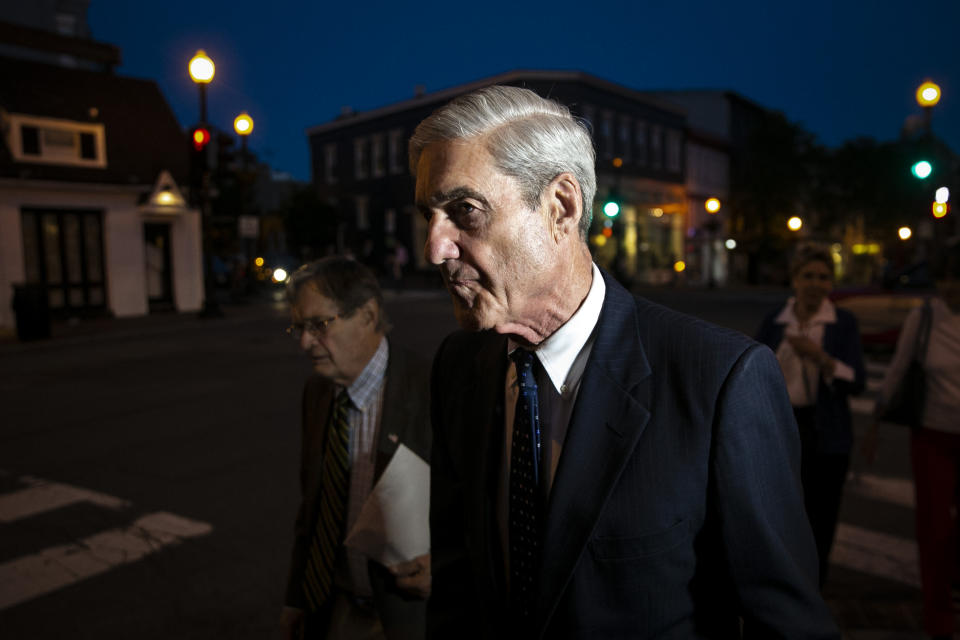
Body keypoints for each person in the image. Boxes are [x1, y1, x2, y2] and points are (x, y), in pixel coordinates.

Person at [411, 85, 838, 638]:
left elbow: (785, 623)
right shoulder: (459, 365)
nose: (435, 248)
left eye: (464, 211)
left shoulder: (720, 380)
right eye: (430, 216)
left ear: (561, 207)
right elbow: (457, 584)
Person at [280, 257, 431, 640]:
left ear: (367, 315)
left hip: (406, 615)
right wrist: (297, 597)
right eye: (298, 327)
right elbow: (312, 508)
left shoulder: (430, 388)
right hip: (337, 608)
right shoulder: (317, 392)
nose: (304, 342)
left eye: (319, 325)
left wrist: (442, 570)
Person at [755, 243, 866, 587]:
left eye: (823, 277)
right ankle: (784, 583)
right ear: (795, 280)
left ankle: (815, 588)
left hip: (827, 431)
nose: (816, 283)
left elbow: (857, 381)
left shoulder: (842, 323)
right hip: (781, 429)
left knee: (822, 515)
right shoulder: (776, 321)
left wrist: (821, 358)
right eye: (808, 276)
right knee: (782, 513)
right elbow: (754, 375)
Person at [868, 239, 960, 640]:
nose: (951, 288)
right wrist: (875, 419)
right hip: (932, 437)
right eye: (944, 280)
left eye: (957, 280)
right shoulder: (924, 318)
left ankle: (950, 580)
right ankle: (937, 612)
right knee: (933, 527)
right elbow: (898, 369)